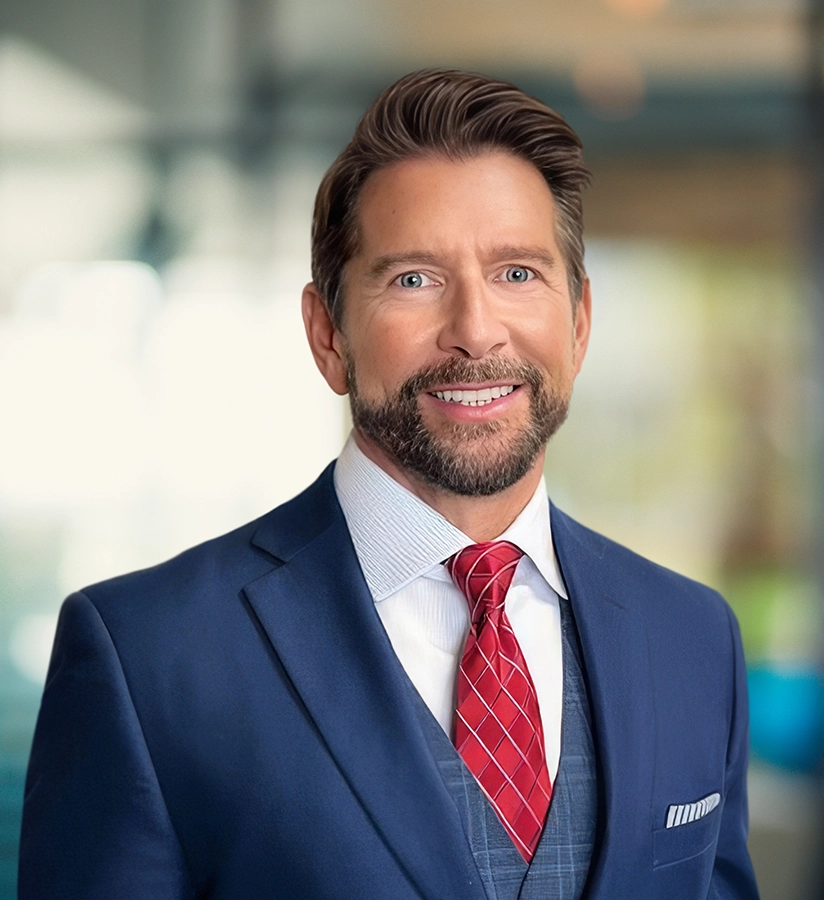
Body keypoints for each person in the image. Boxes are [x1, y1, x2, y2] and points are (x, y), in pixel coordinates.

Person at [19, 69, 759, 899]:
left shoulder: (693, 637)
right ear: (328, 334)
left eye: (517, 273)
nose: (476, 332)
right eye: (414, 279)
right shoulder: (146, 656)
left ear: (579, 323)